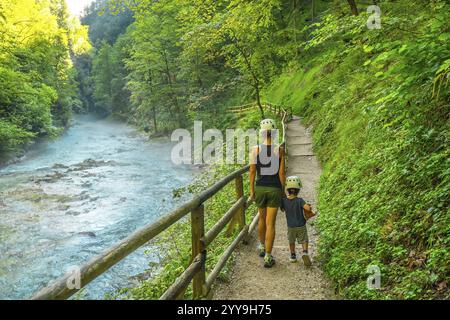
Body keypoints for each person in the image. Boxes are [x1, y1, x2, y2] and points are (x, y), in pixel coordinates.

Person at [249, 119, 286, 268]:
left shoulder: (255, 149)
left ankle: (262, 246)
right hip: (274, 189)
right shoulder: (280, 150)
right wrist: (283, 192)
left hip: (260, 188)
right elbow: (282, 173)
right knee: (271, 223)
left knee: (262, 219)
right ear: (275, 133)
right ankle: (268, 257)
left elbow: (252, 171)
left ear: (262, 133)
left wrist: (252, 191)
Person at [280, 176, 314, 267]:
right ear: (298, 190)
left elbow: (282, 210)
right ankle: (305, 252)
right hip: (301, 225)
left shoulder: (284, 201)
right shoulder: (300, 200)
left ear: (288, 189)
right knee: (304, 239)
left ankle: (293, 255)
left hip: (291, 226)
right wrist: (309, 207)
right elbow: (307, 208)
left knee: (291, 241)